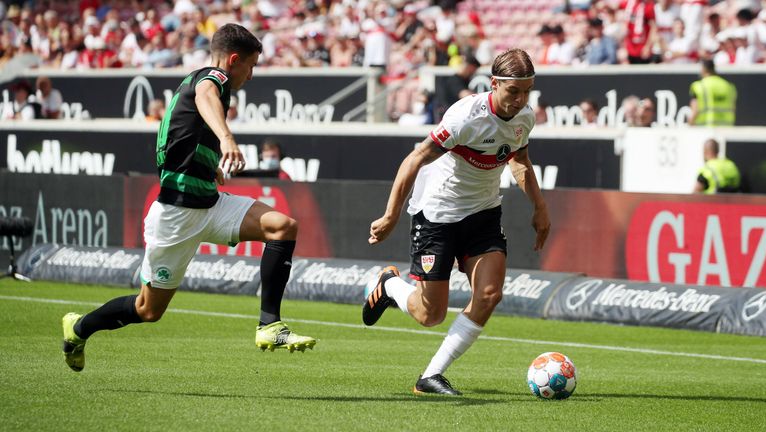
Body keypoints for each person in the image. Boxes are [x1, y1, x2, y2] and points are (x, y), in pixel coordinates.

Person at [61, 24, 316, 373]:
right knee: (148, 310)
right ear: (234, 59)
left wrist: (208, 163)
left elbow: (181, 132)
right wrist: (226, 138)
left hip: (209, 205)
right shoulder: (214, 78)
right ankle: (78, 329)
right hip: (176, 215)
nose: (251, 75)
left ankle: (269, 325)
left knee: (282, 226)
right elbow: (205, 96)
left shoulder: (195, 82)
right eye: (251, 66)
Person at [363, 48, 550, 396]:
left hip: (484, 213)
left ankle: (430, 376)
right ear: (494, 84)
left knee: (490, 294)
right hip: (438, 211)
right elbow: (415, 158)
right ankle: (389, 286)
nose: (521, 99)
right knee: (430, 314)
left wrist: (539, 207)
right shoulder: (465, 117)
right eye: (514, 91)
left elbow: (520, 159)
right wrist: (391, 214)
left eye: (527, 90)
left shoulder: (525, 116)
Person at [432, 55, 480, 123]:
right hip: (449, 119)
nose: (473, 73)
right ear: (470, 67)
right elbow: (466, 95)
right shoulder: (454, 80)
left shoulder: (464, 80)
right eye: (473, 70)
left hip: (455, 118)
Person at [688, 59, 737, 126]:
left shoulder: (699, 86)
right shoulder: (728, 86)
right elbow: (733, 108)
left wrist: (690, 123)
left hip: (706, 129)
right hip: (726, 128)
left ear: (704, 69)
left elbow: (695, 110)